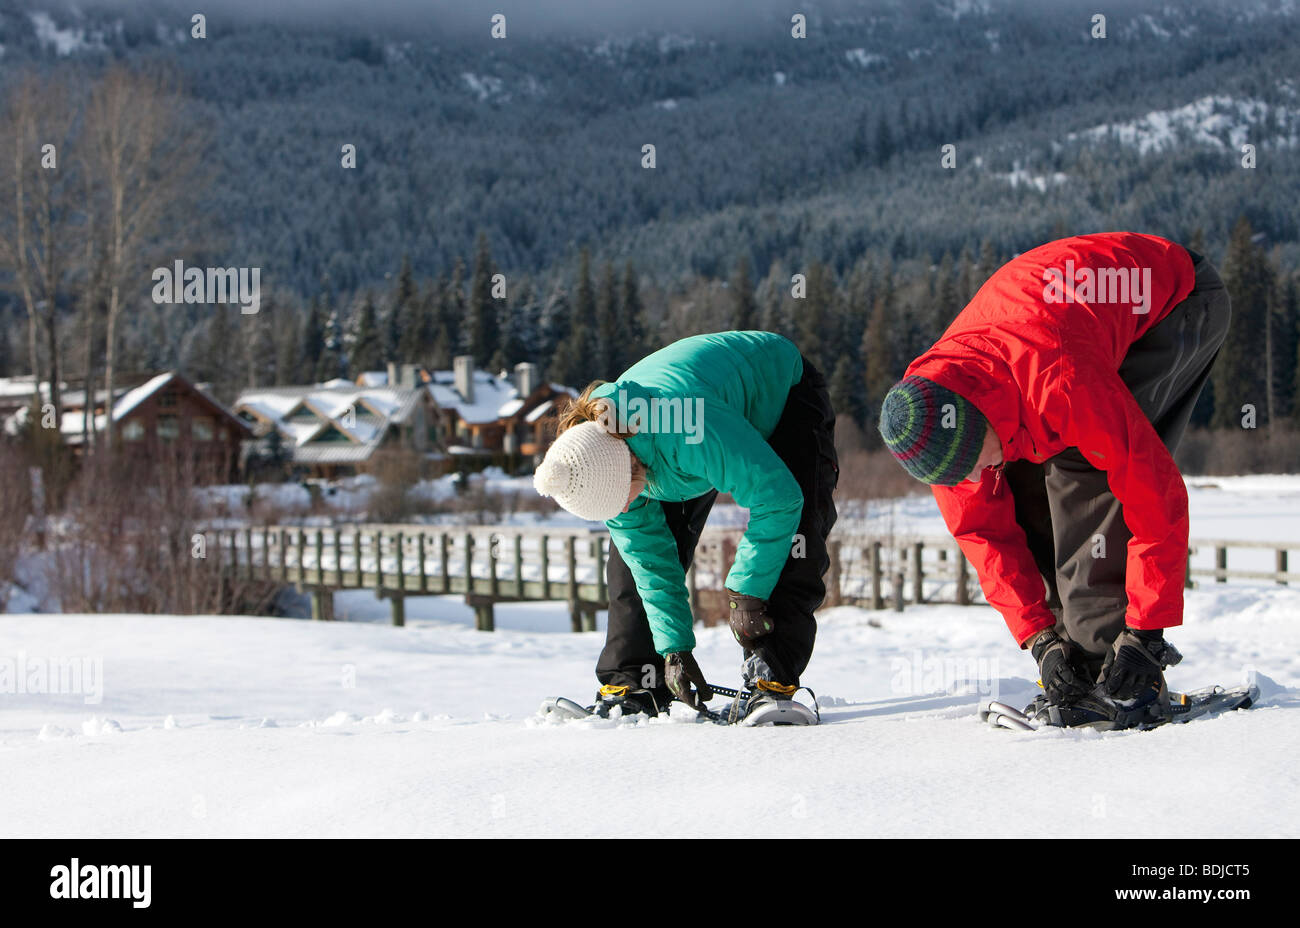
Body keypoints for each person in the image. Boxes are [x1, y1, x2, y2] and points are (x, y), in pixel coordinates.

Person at [878, 232, 1231, 728]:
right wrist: (1040, 637)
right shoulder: (938, 428)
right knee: (1019, 493)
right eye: (961, 474)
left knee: (1084, 478)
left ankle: (1125, 682)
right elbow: (986, 536)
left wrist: (1146, 632)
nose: (973, 477)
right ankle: (1077, 668)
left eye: (974, 462)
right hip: (1058, 316)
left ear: (980, 420)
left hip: (1173, 300)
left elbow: (1154, 490)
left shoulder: (1060, 382)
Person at [533, 330, 838, 720]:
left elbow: (777, 498)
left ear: (626, 465)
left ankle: (770, 680)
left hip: (780, 393)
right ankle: (634, 683)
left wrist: (747, 593)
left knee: (794, 536)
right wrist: (673, 647)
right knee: (632, 560)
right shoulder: (600, 458)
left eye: (622, 497)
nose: (623, 507)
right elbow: (652, 565)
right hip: (673, 447)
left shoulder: (689, 428)